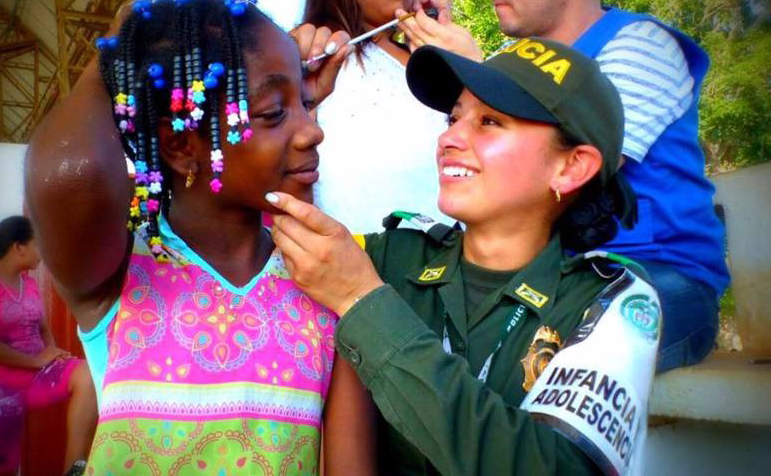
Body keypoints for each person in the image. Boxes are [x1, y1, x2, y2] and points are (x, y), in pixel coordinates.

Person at [267, 39, 661, 474]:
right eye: (454, 118)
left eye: (490, 121)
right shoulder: (390, 256)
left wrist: (363, 302)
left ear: (571, 167)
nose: (449, 138)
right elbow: (273, 230)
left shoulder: (611, 302)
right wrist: (298, 108)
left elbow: (557, 468)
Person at [25, 1, 375, 474]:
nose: (313, 132)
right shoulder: (119, 274)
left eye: (307, 105)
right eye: (274, 112)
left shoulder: (327, 280)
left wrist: (285, 101)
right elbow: (75, 172)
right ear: (180, 145)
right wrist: (120, 41)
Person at [400, 0, 729, 373]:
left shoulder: (643, 44)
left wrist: (479, 73)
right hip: (545, 273)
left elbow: (552, 174)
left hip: (655, 274)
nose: (452, 137)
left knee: (535, 353)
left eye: (490, 120)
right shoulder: (512, 54)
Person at [297, 0, 476, 232]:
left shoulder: (425, 59)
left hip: (452, 245)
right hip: (354, 248)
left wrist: (468, 70)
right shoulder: (316, 57)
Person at [0, 216, 96, 476]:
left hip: (37, 373)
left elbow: (43, 329)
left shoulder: (29, 283)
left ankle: (74, 468)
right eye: (38, 244)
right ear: (19, 247)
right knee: (1, 468)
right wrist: (36, 361)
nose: (43, 253)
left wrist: (53, 354)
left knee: (87, 374)